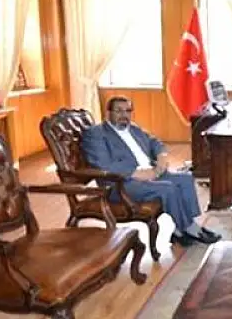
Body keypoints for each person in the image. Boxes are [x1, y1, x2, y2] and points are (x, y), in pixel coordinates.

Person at [82, 96, 222, 247]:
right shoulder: (96, 134)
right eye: (119, 111)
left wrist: (161, 156)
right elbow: (103, 164)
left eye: (128, 111)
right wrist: (136, 173)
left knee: (186, 179)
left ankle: (182, 230)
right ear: (108, 112)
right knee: (169, 188)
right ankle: (190, 229)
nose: (124, 115)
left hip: (151, 173)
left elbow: (154, 142)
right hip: (122, 183)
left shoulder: (133, 128)